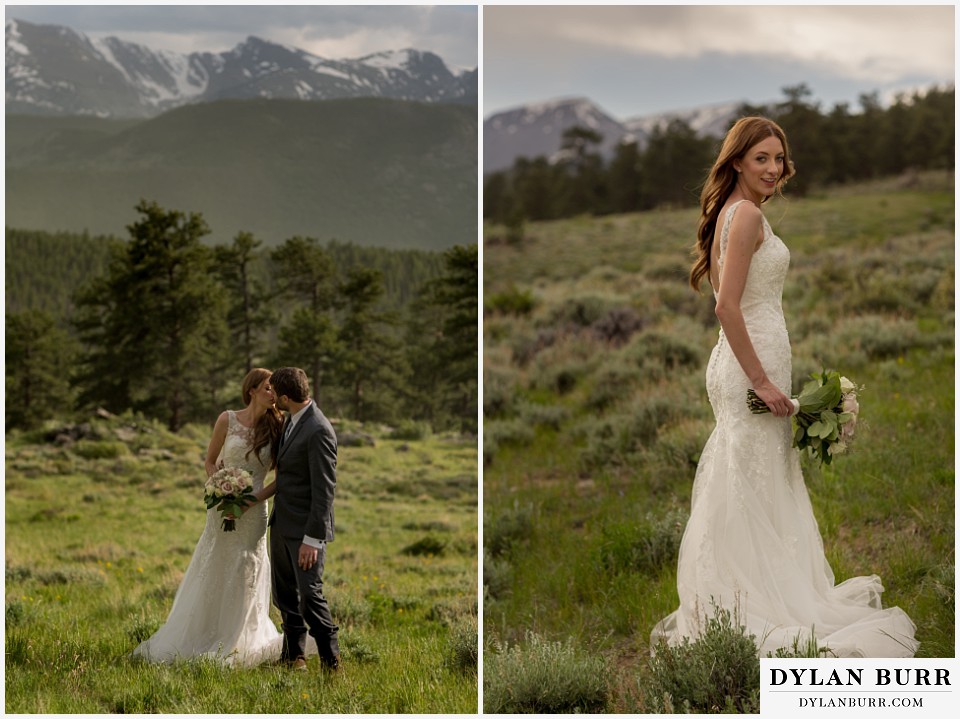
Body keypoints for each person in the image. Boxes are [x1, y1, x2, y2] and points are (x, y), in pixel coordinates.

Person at [650, 117, 918, 658]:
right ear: (736, 164)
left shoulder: (735, 212)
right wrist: (764, 382)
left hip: (747, 359)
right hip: (751, 367)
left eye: (778, 158)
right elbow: (726, 306)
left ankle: (741, 600)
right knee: (751, 482)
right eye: (761, 159)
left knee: (756, 483)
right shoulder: (744, 214)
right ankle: (750, 611)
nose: (773, 169)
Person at [133, 368, 289, 666]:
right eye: (268, 388)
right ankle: (204, 631)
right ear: (252, 390)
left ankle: (238, 638)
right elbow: (209, 460)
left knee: (247, 567)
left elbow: (279, 479)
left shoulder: (278, 426)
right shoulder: (227, 419)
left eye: (275, 389)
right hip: (221, 508)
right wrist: (220, 486)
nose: (273, 394)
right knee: (216, 562)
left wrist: (251, 500)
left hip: (254, 511)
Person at [267, 366, 341, 671]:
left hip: (305, 532)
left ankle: (331, 662)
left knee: (309, 596)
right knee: (284, 594)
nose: (272, 399)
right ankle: (293, 655)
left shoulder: (319, 429)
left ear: (286, 397)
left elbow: (325, 491)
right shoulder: (292, 421)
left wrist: (312, 539)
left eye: (275, 394)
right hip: (282, 523)